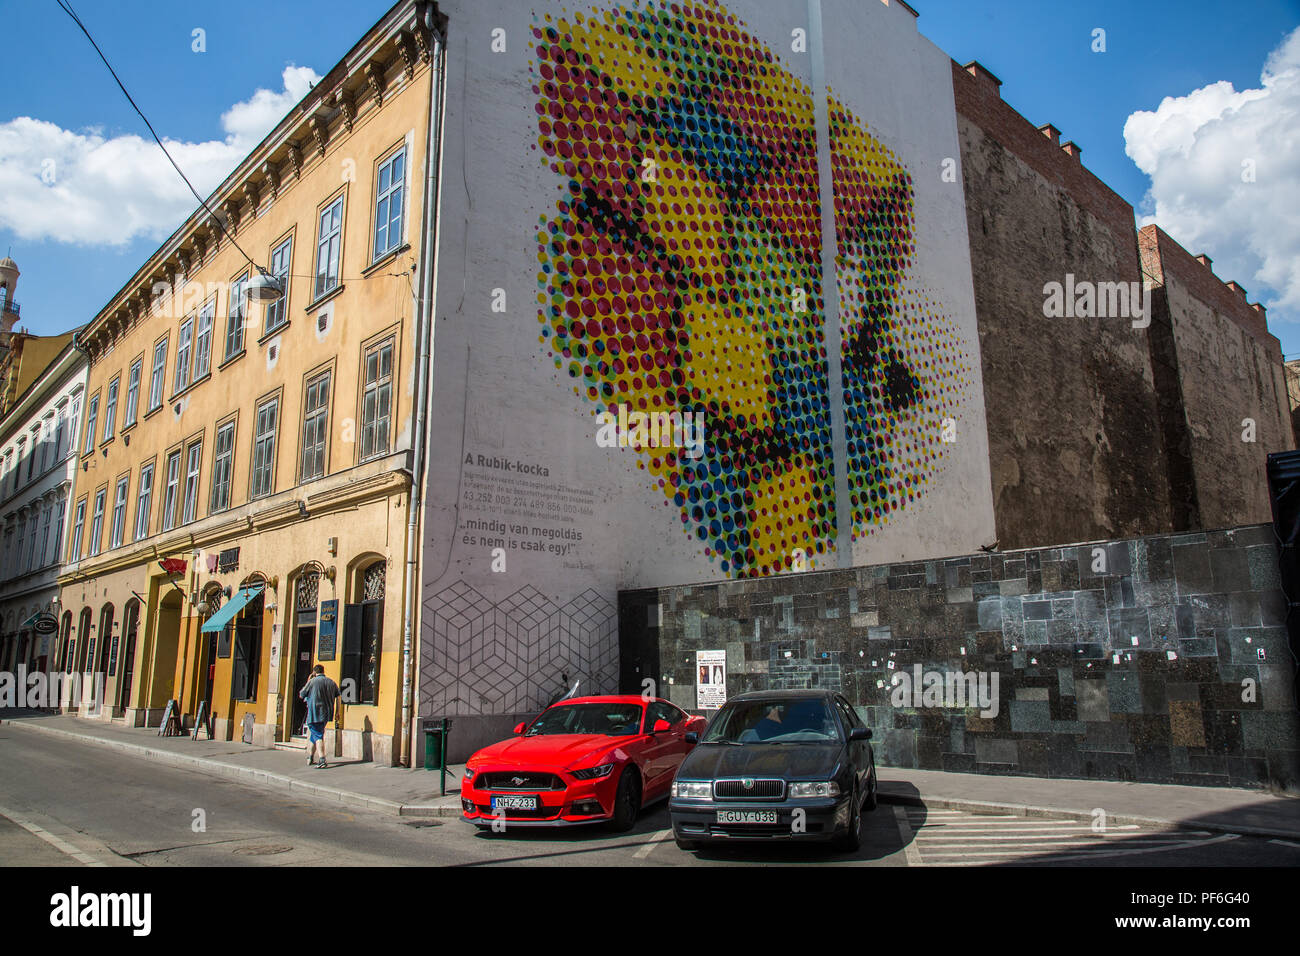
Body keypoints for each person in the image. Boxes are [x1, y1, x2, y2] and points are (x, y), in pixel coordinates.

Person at [298, 664, 340, 768]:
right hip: (326, 714)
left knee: (318, 736)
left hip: (314, 713)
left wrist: (308, 680)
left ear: (314, 672)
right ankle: (310, 757)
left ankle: (322, 759)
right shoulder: (332, 682)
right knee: (315, 735)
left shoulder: (312, 682)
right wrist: (337, 712)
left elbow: (301, 694)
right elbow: (338, 697)